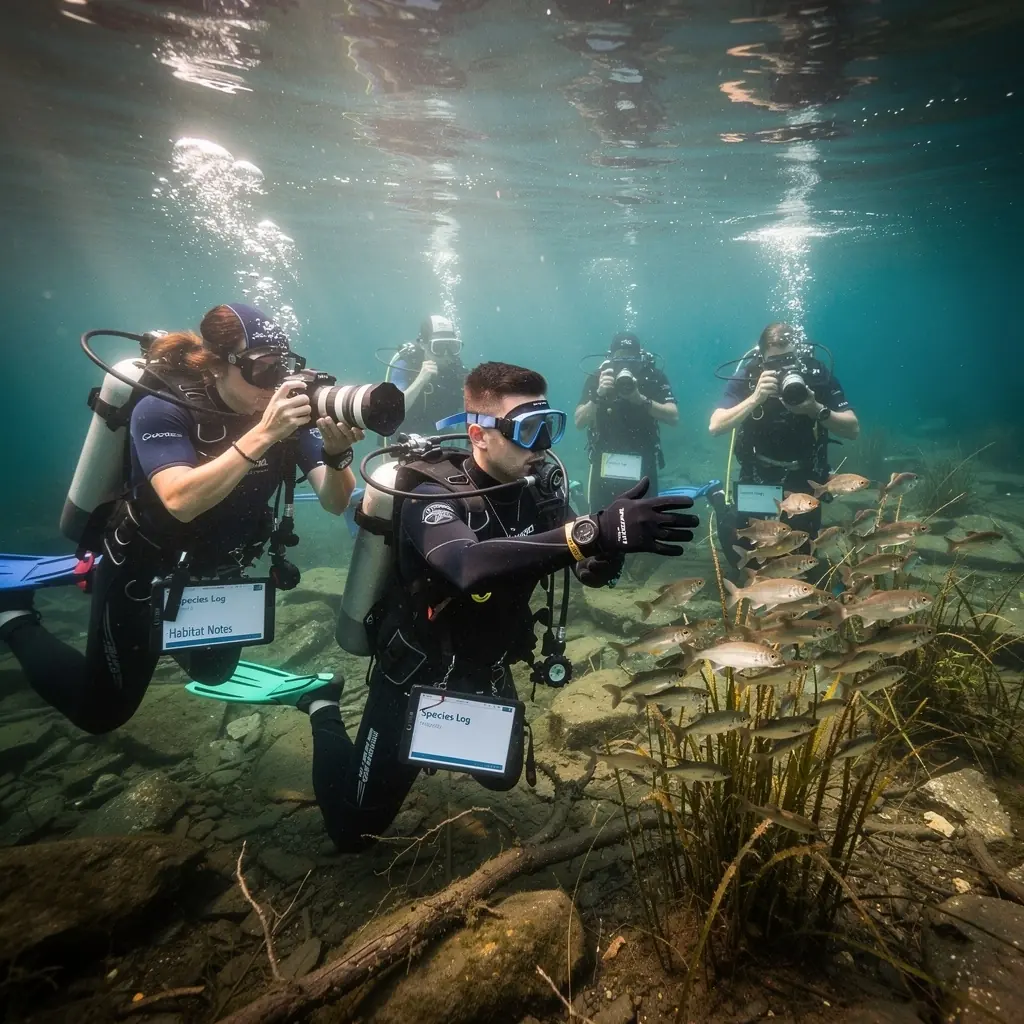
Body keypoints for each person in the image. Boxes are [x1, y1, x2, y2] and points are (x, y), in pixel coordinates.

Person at [296, 361, 699, 853]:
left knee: (500, 780)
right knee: (352, 832)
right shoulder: (431, 490)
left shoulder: (541, 483)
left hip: (488, 662)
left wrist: (609, 548)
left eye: (551, 425)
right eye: (529, 430)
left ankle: (435, 742)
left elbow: (580, 563)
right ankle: (322, 706)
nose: (544, 445)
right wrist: (589, 533)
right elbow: (467, 565)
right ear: (478, 435)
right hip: (412, 674)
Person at [0, 303, 361, 734]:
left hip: (218, 569)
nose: (273, 383)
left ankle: (113, 599)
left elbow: (335, 502)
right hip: (143, 568)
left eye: (280, 368)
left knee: (213, 673)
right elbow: (180, 499)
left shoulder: (286, 416)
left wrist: (338, 456)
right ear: (218, 364)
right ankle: (13, 617)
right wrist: (264, 432)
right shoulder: (164, 406)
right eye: (261, 370)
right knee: (100, 713)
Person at [707, 321, 859, 569]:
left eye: (788, 359)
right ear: (762, 359)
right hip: (758, 473)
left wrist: (815, 408)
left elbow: (853, 429)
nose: (782, 369)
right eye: (774, 363)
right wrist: (756, 398)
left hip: (804, 474)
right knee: (744, 558)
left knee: (801, 554)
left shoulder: (816, 376)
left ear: (798, 355)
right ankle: (717, 498)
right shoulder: (750, 376)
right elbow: (715, 426)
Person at [575, 332, 679, 513]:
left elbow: (673, 416)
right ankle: (577, 494)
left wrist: (640, 399)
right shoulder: (599, 377)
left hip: (643, 456)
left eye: (632, 358)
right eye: (620, 358)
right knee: (599, 518)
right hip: (605, 458)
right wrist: (598, 396)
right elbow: (579, 421)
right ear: (611, 358)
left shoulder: (653, 376)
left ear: (641, 358)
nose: (626, 364)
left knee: (646, 517)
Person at [385, 314, 466, 438]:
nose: (446, 354)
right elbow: (393, 411)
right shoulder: (405, 364)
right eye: (438, 347)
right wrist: (421, 380)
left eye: (451, 347)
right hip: (404, 440)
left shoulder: (457, 370)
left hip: (443, 438)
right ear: (423, 344)